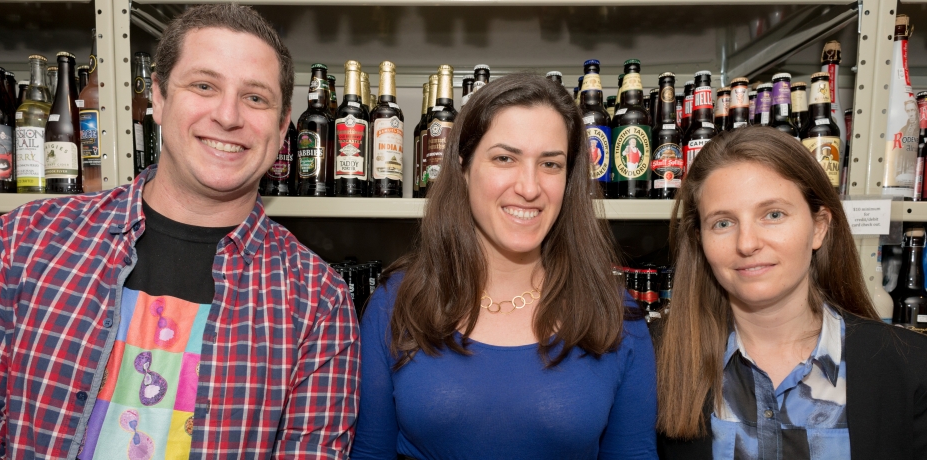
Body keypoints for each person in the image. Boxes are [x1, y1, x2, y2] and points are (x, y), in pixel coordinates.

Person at [0, 5, 359, 459]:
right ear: (157, 97)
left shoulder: (318, 300)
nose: (228, 115)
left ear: (280, 128)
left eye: (255, 97)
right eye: (203, 85)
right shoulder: (22, 242)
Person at [352, 73, 658, 460]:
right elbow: (369, 452)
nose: (529, 187)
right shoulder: (396, 303)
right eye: (504, 158)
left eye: (550, 164)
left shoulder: (615, 317)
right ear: (463, 166)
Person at [655, 126, 927, 459]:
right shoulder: (656, 361)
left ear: (820, 227)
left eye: (773, 215)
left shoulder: (910, 366)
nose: (747, 243)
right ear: (700, 240)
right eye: (723, 223)